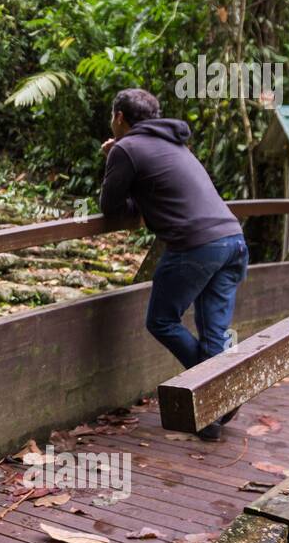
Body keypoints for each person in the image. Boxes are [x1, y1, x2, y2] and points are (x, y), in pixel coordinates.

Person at [99, 88, 248, 441]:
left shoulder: (125, 148)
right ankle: (212, 414)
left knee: (162, 320)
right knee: (213, 333)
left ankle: (220, 394)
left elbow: (111, 206)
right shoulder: (178, 144)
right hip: (233, 240)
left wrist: (110, 158)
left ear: (119, 117)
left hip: (196, 247)